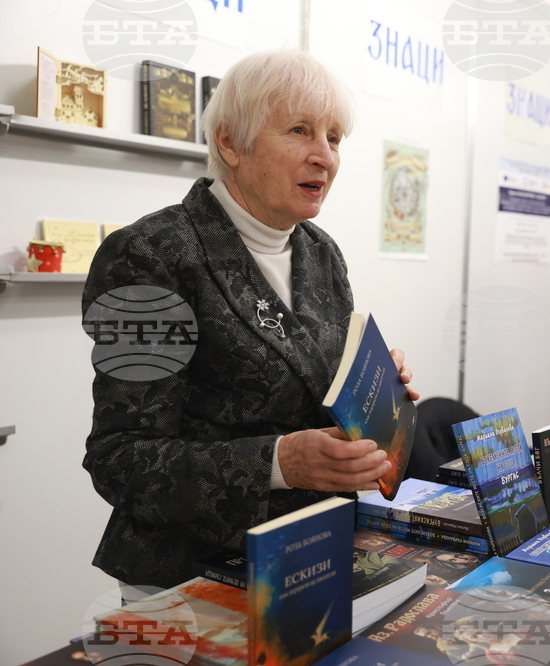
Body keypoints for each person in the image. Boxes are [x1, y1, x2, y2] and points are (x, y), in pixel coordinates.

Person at [81, 50, 418, 598]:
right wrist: (281, 462)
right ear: (230, 143)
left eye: (334, 139)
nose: (324, 158)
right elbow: (122, 460)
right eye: (299, 131)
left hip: (313, 556)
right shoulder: (147, 256)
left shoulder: (319, 251)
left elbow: (313, 386)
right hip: (192, 579)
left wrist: (375, 384)